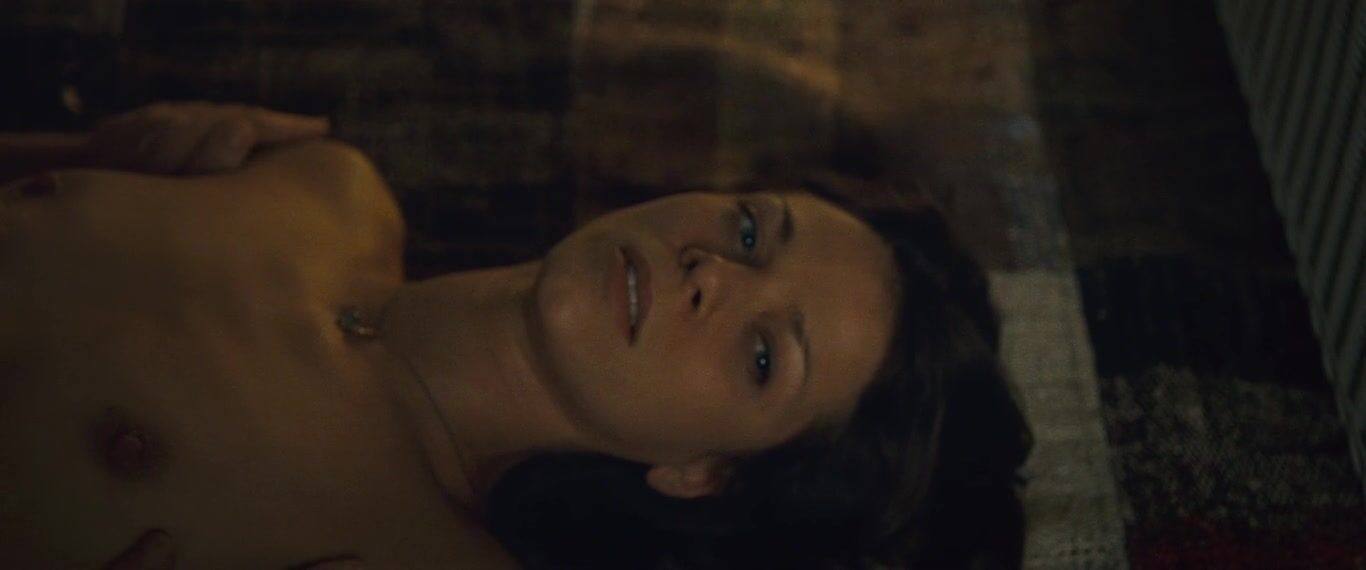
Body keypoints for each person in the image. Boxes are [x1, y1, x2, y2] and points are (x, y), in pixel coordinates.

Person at [1, 102, 1031, 568]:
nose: (710, 273)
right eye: (751, 232)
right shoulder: (324, 187)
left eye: (763, 357)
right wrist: (96, 149)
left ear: (705, 475)